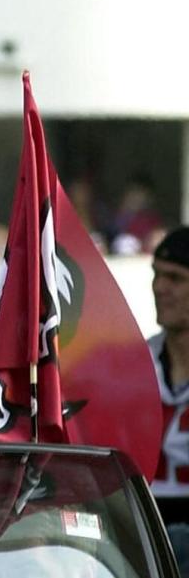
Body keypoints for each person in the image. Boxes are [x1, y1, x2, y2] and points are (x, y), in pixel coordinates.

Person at [148, 228, 189, 573]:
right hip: (143, 523)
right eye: (157, 275)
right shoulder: (130, 364)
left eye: (175, 278)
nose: (160, 288)